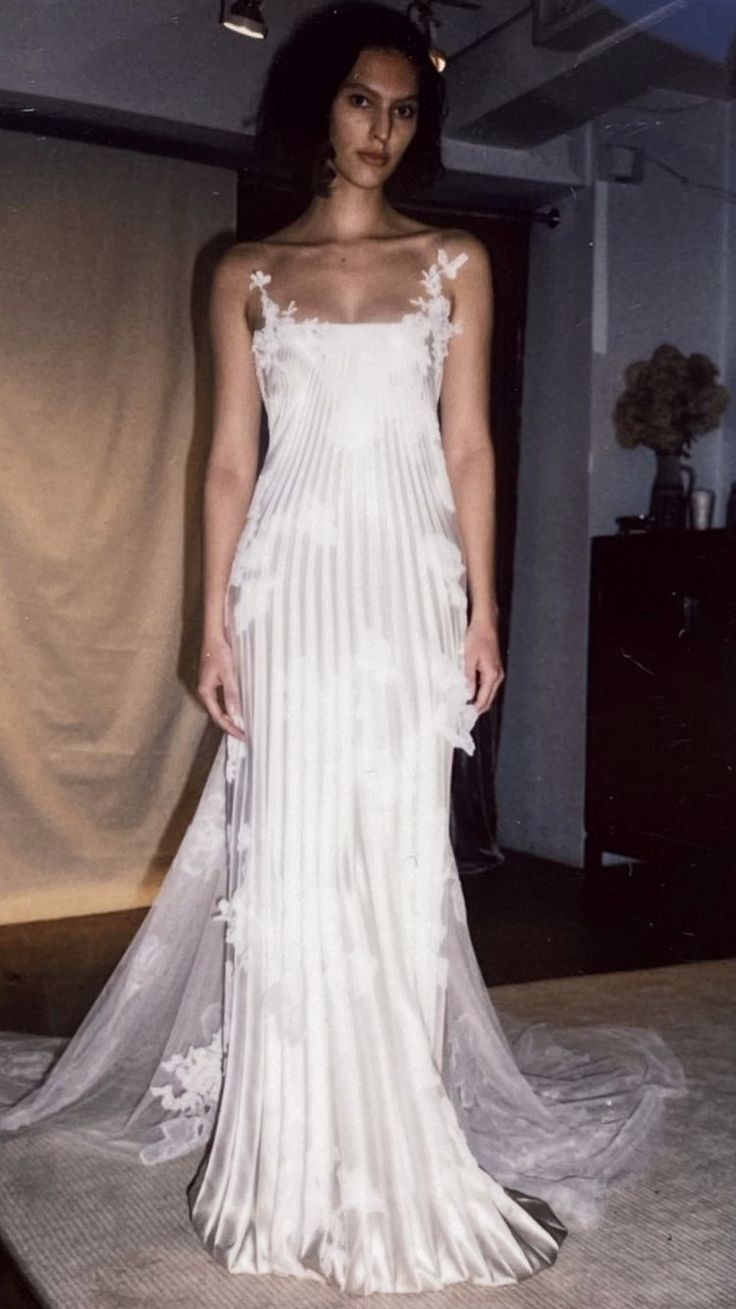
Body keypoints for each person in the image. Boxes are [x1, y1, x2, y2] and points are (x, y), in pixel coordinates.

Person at [0, 1, 686, 1296]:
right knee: (294, 860)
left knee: (391, 857)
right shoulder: (244, 273)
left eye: (405, 107)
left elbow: (470, 448)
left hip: (400, 592)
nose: (382, 128)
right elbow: (224, 464)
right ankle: (288, 1152)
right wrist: (211, 620)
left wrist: (481, 607)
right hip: (293, 588)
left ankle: (392, 1141)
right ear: (318, 107)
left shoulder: (457, 263)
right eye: (362, 101)